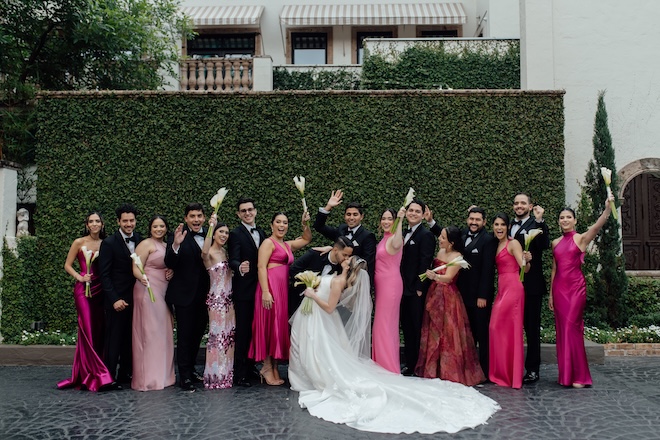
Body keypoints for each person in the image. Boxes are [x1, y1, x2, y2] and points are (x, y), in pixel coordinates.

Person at [289, 256, 499, 434]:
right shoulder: (340, 277)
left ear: (347, 267)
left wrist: (312, 294)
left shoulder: (339, 280)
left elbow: (329, 305)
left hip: (323, 313)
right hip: (323, 320)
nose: (344, 258)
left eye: (347, 259)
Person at [550, 194, 614, 388]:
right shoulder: (554, 242)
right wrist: (551, 295)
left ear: (575, 220)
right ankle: (566, 376)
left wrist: (608, 209)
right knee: (562, 331)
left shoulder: (581, 239)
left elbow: (597, 226)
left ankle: (580, 376)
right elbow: (554, 269)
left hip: (576, 289)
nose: (565, 220)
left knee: (572, 328)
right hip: (559, 290)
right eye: (562, 217)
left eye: (568, 217)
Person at [429, 206, 496, 378]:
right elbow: (447, 238)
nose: (474, 222)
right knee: (467, 334)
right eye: (471, 219)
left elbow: (488, 270)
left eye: (478, 220)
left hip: (478, 296)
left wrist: (483, 295)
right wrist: (431, 222)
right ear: (467, 220)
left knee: (482, 333)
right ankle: (467, 367)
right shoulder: (463, 235)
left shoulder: (488, 240)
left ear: (484, 222)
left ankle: (485, 371)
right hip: (461, 293)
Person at [416, 226, 485, 386]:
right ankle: (434, 369)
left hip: (449, 297)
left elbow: (448, 277)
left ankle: (449, 370)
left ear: (451, 242)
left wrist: (434, 276)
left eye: (442, 237)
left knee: (448, 332)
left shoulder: (458, 256)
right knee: (434, 330)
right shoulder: (440, 252)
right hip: (435, 294)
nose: (439, 239)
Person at [249, 210, 312, 385]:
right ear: (271, 225)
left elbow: (307, 239)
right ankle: (266, 367)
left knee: (277, 326)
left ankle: (274, 367)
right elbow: (261, 267)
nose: (282, 225)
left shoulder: (286, 245)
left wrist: (305, 223)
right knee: (269, 325)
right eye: (278, 222)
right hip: (269, 288)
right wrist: (266, 291)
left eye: (285, 223)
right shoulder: (268, 243)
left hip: (282, 289)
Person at [58, 212, 115, 391]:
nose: (94, 224)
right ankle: (99, 375)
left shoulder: (106, 244)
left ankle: (87, 373)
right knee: (88, 330)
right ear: (87, 225)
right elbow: (67, 265)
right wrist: (80, 276)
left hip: (100, 290)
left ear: (102, 224)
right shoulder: (79, 242)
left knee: (99, 331)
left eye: (97, 221)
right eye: (91, 221)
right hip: (84, 291)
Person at [165, 203, 210, 392]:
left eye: (199, 215)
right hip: (184, 296)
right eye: (192, 216)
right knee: (184, 336)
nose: (196, 219)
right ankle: (184, 377)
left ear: (204, 217)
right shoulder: (178, 236)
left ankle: (191, 370)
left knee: (197, 335)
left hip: (206, 296)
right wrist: (175, 244)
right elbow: (169, 262)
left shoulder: (210, 234)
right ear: (186, 218)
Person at [130, 215, 175, 391]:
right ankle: (147, 378)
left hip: (163, 290)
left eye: (162, 226)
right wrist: (143, 278)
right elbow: (135, 266)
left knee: (163, 331)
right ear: (150, 228)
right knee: (149, 331)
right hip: (147, 289)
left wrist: (171, 271)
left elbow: (169, 263)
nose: (159, 229)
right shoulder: (146, 244)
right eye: (155, 226)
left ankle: (164, 376)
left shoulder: (166, 246)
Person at [510, 193, 550, 384]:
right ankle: (511, 366)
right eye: (516, 203)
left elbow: (543, 245)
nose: (519, 206)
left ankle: (532, 369)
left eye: (523, 203)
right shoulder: (507, 225)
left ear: (530, 206)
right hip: (511, 284)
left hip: (531, 285)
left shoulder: (537, 224)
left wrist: (540, 220)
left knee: (531, 329)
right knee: (511, 327)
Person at [99, 204, 142, 384]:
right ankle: (109, 376)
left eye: (131, 220)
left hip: (136, 298)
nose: (129, 224)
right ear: (118, 221)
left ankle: (126, 373)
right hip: (117, 300)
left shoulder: (140, 240)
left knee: (130, 338)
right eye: (125, 221)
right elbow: (104, 274)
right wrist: (114, 299)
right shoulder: (109, 243)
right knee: (114, 339)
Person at [489, 212, 530, 389]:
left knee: (507, 329)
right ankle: (502, 373)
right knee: (497, 328)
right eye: (496, 224)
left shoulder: (513, 243)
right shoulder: (497, 244)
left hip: (513, 287)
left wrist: (527, 261)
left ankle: (512, 376)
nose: (499, 228)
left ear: (507, 227)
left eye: (502, 225)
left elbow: (525, 268)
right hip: (502, 288)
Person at [228, 197, 265, 387]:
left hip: (262, 288)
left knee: (255, 329)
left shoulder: (262, 232)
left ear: (255, 211)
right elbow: (232, 259)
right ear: (238, 214)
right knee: (242, 331)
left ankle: (250, 366)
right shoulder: (236, 233)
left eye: (250, 209)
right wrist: (239, 267)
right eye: (243, 211)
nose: (247, 213)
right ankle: (239, 373)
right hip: (244, 290)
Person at [399, 198, 436, 375]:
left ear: (422, 215)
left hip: (415, 290)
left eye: (417, 211)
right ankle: (410, 362)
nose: (413, 213)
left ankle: (417, 365)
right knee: (406, 326)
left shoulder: (426, 235)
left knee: (416, 327)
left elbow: (425, 261)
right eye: (410, 210)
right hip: (401, 288)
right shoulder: (400, 232)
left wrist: (420, 287)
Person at [313, 189, 377, 284]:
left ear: (361, 216)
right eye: (348, 214)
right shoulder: (341, 229)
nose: (351, 218)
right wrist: (328, 207)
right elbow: (319, 226)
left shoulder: (367, 236)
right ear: (344, 216)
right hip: (335, 279)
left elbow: (367, 263)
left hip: (354, 281)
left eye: (355, 214)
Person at [201, 216, 235, 389]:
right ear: (214, 234)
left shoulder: (225, 252)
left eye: (227, 232)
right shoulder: (210, 253)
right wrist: (210, 226)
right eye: (221, 232)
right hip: (217, 300)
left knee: (228, 337)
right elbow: (204, 252)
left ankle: (226, 374)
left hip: (229, 300)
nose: (224, 235)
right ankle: (214, 376)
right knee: (217, 337)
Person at [372, 207, 405, 373]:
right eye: (383, 219)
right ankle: (380, 364)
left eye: (389, 219)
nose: (386, 222)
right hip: (381, 286)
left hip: (390, 286)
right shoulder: (383, 239)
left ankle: (388, 366)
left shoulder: (394, 239)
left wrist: (400, 221)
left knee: (385, 325)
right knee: (381, 325)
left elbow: (398, 243)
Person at [289, 235, 354, 317]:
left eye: (349, 256)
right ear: (335, 250)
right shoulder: (314, 254)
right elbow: (293, 270)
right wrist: (307, 286)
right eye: (344, 255)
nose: (346, 258)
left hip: (322, 310)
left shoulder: (343, 269)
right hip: (299, 299)